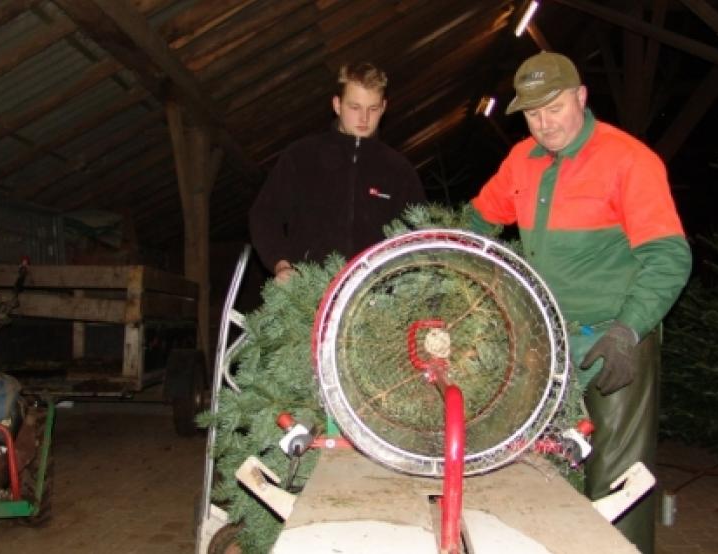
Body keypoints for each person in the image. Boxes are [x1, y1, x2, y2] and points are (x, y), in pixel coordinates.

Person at [470, 52, 691, 553]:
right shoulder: (521, 160)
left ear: (582, 96)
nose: (544, 124)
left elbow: (669, 258)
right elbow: (479, 220)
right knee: (542, 467)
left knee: (619, 481)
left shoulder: (629, 160)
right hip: (547, 344)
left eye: (554, 108)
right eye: (531, 113)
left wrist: (628, 330)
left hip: (615, 341)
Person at [249, 62, 425, 281]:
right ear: (337, 104)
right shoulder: (301, 157)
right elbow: (264, 215)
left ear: (384, 107)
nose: (364, 118)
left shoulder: (399, 170)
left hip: (376, 299)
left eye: (373, 108)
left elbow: (419, 236)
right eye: (355, 107)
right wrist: (281, 265)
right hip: (307, 294)